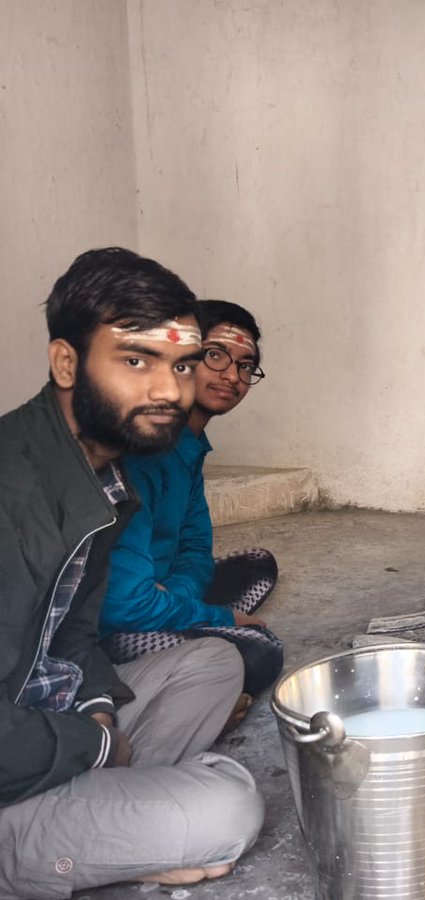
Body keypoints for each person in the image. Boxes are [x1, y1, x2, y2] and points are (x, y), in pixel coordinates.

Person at [0, 248, 263, 899]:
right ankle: (57, 844)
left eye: (180, 365)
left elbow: (74, 639)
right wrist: (91, 747)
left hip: (49, 722)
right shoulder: (13, 487)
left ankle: (104, 827)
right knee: (230, 806)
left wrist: (93, 711)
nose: (168, 390)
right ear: (66, 362)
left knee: (215, 663)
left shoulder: (107, 480)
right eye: (135, 361)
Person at [101, 300, 283, 706]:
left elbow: (197, 548)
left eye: (245, 365)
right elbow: (119, 602)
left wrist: (178, 594)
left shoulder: (190, 447)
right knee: (259, 653)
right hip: (111, 621)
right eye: (215, 355)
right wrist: (217, 616)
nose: (232, 376)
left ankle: (177, 618)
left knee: (258, 563)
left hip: (154, 588)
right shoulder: (141, 446)